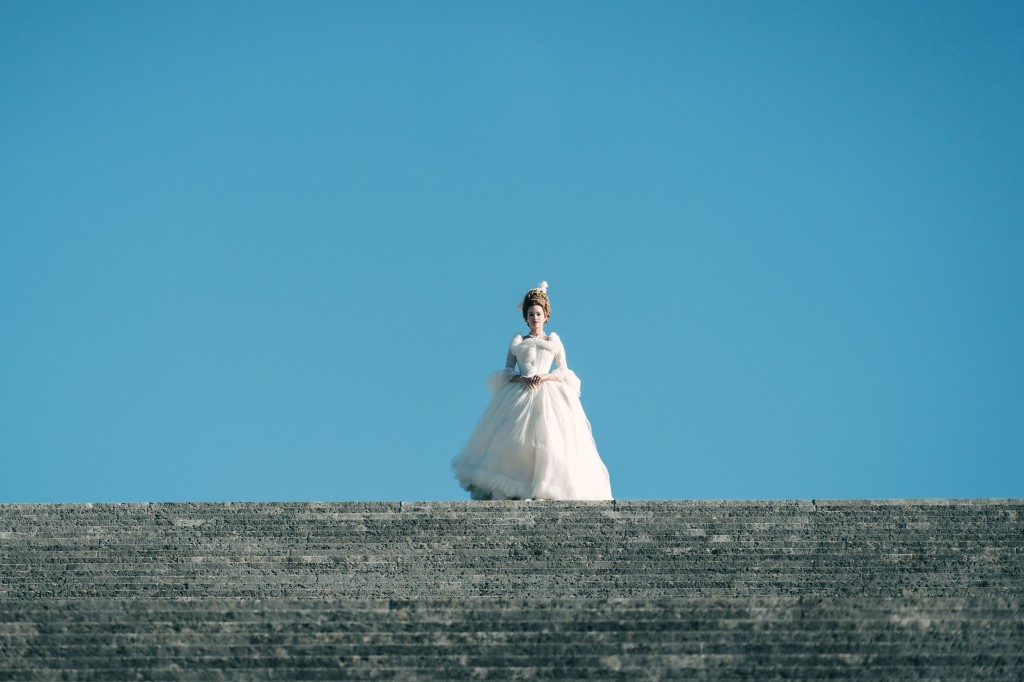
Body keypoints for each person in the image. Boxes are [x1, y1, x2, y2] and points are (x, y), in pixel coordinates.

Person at [452, 282, 613, 500]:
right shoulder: (518, 341)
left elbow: (564, 371)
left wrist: (545, 376)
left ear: (545, 316)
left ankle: (543, 489)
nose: (534, 318)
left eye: (538, 314)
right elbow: (507, 369)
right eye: (530, 314)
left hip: (548, 393)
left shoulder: (554, 341)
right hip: (520, 393)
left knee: (550, 442)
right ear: (525, 318)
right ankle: (519, 489)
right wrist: (522, 378)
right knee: (516, 442)